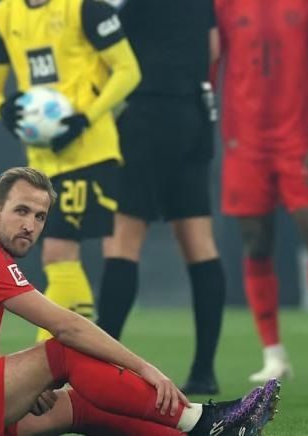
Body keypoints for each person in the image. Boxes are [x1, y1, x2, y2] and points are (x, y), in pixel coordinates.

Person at [0, 166, 280, 436]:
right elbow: (67, 327)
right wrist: (146, 368)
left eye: (39, 217)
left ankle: (207, 430)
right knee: (64, 354)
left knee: (78, 405)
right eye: (21, 211)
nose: (30, 225)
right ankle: (202, 420)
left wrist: (20, 387)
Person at [214, 0, 308, 382]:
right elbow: (213, 65)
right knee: (256, 243)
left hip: (299, 141)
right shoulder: (224, 5)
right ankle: (274, 356)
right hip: (245, 144)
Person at [0, 0, 141, 341]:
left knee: (58, 251)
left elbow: (128, 70)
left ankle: (50, 362)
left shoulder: (86, 8)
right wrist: (4, 109)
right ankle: (79, 352)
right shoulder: (3, 14)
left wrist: (86, 117)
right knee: (59, 257)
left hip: (90, 151)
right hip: (42, 160)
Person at [95, 0, 226, 395]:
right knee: (200, 243)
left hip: (147, 114)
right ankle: (204, 370)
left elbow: (110, 47)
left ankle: (99, 362)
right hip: (195, 116)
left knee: (122, 241)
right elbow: (215, 48)